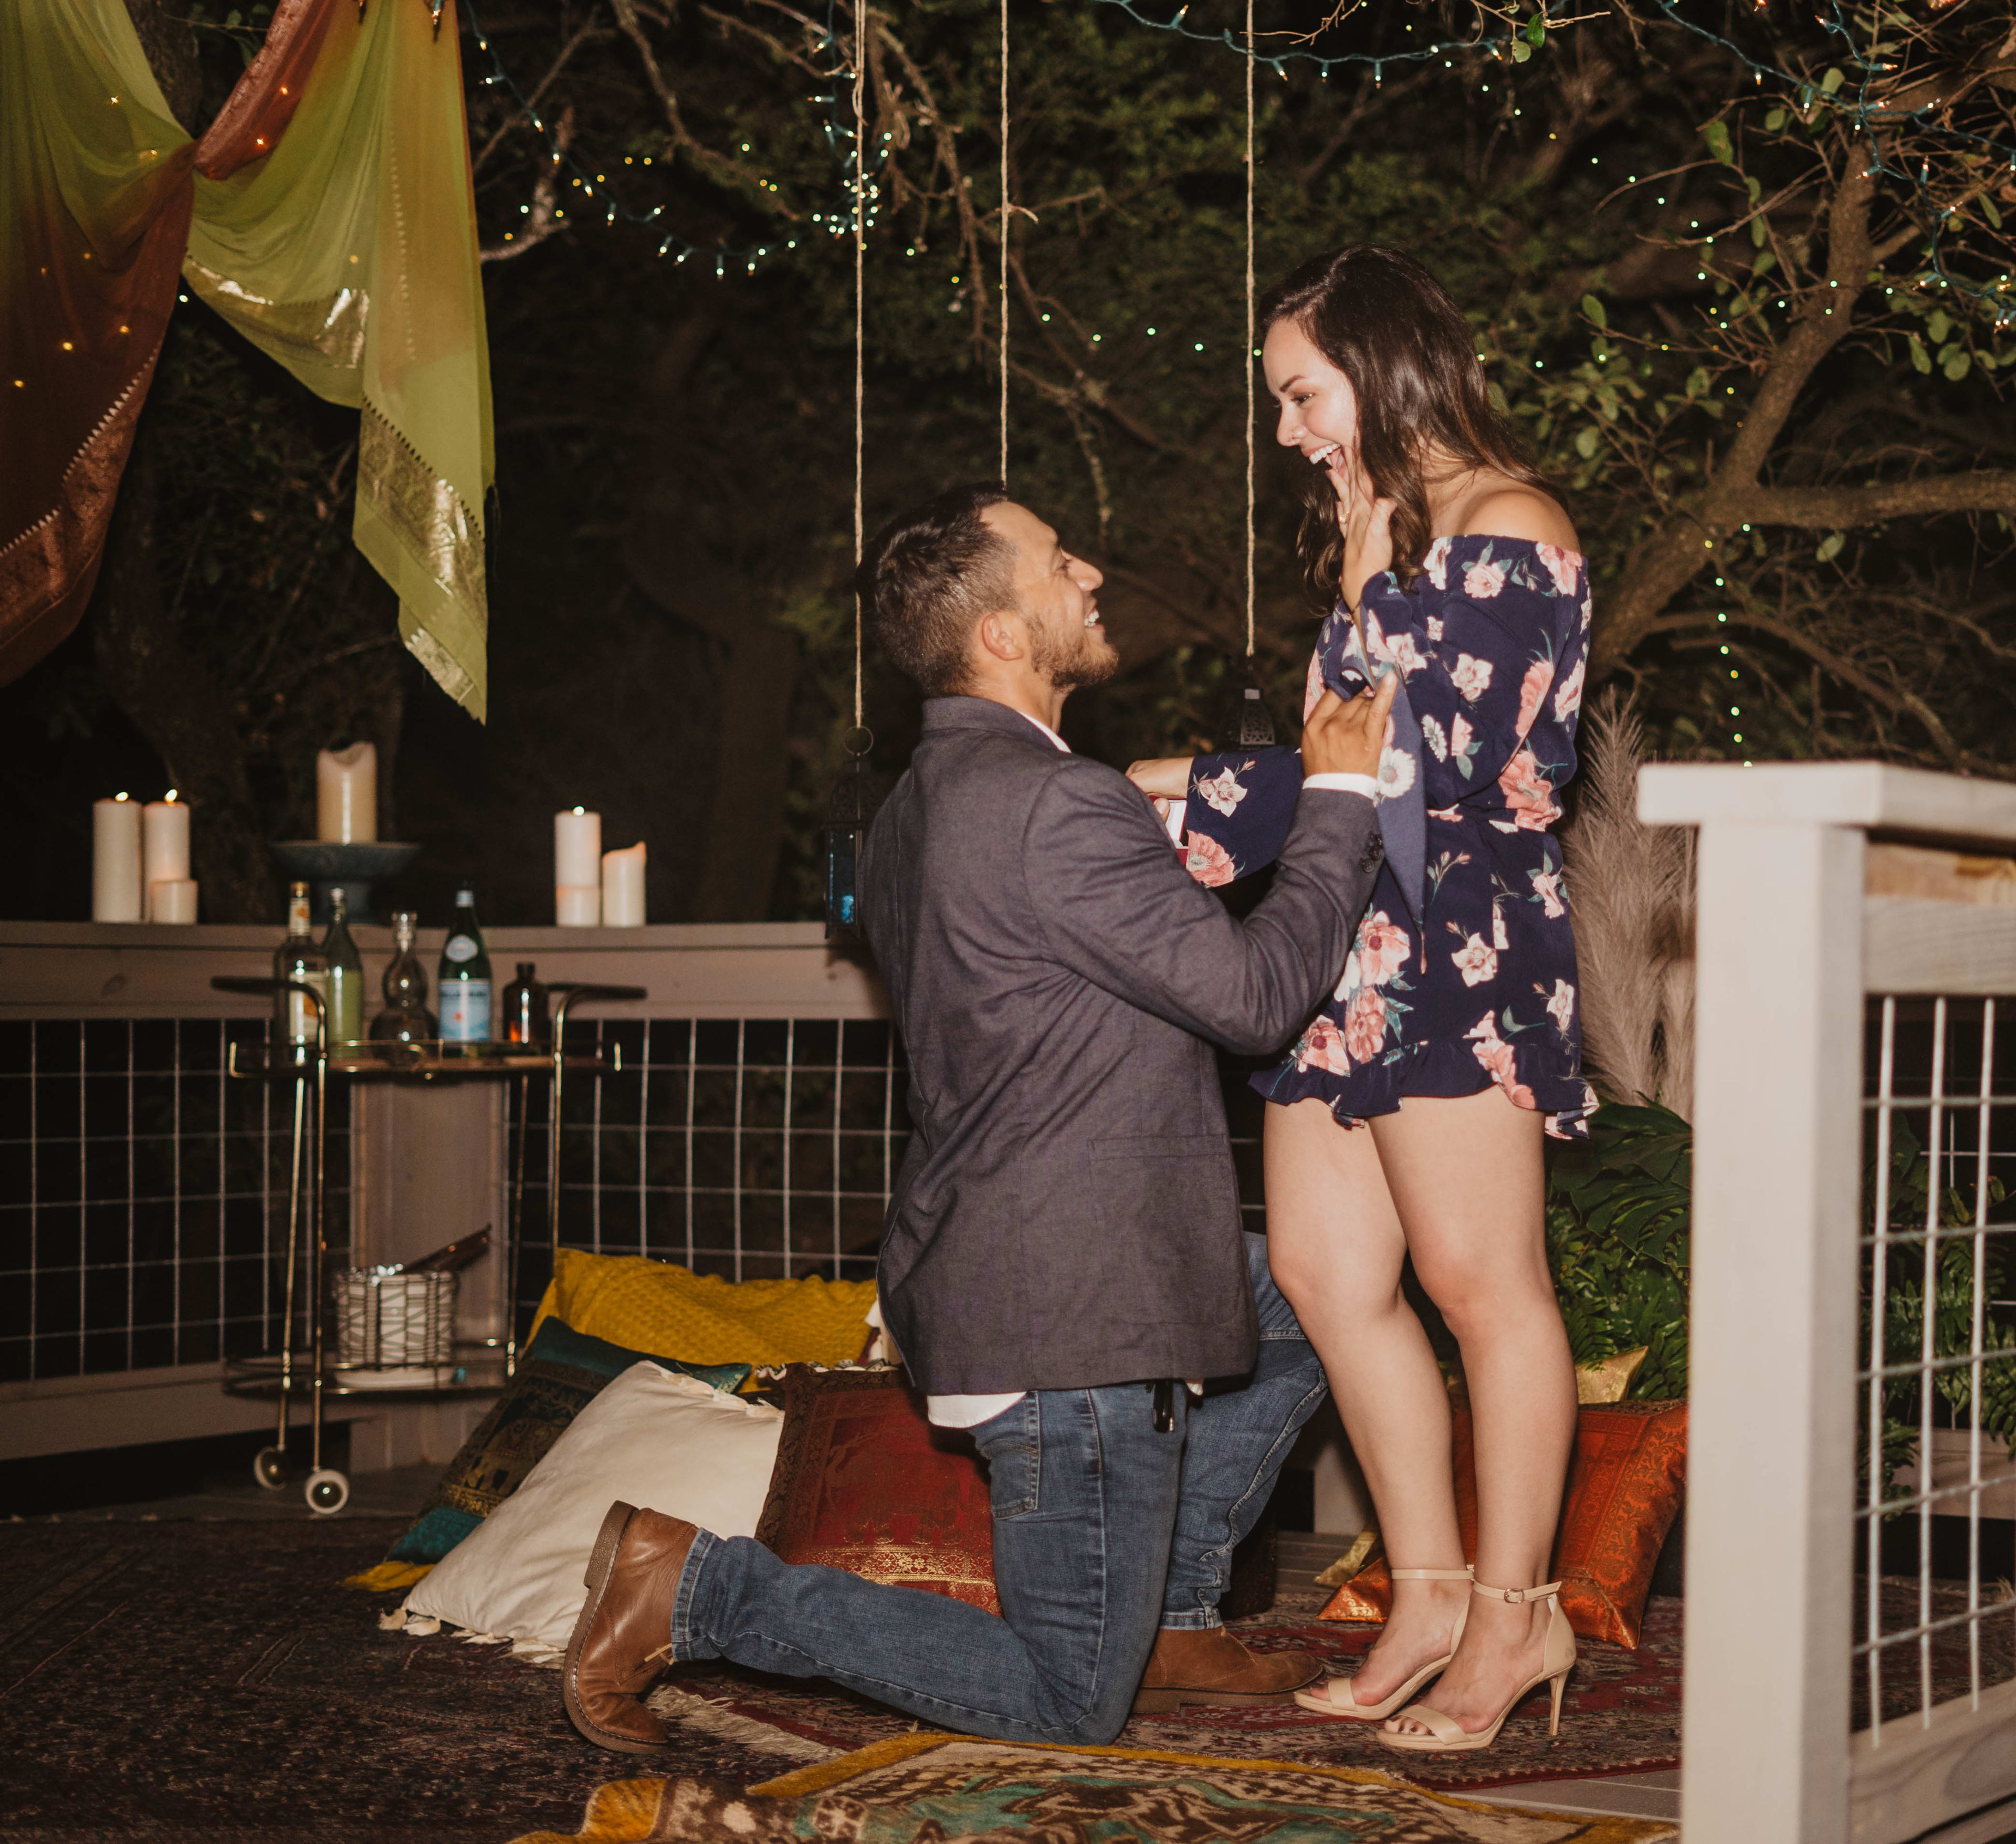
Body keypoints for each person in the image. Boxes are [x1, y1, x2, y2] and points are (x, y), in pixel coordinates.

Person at [559, 485, 1398, 1755]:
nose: (1094, 572)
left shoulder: (925, 802)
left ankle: (1165, 1611)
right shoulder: (1052, 807)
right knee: (1069, 1702)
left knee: (1320, 1294)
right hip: (1070, 1319)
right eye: (1062, 564)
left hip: (1017, 1252)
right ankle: (698, 1587)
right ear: (1003, 634)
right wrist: (1337, 804)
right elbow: (1254, 995)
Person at [1128, 245, 1596, 1755]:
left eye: (1300, 393)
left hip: (1459, 960)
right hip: (1346, 954)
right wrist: (1187, 796)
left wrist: (1191, 787)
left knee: (1485, 1288)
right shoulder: (1393, 540)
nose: (1286, 432)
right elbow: (1339, 765)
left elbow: (1428, 755)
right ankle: (1436, 1593)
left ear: (1384, 370)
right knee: (1331, 1283)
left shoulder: (1510, 524)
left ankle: (1525, 1613)